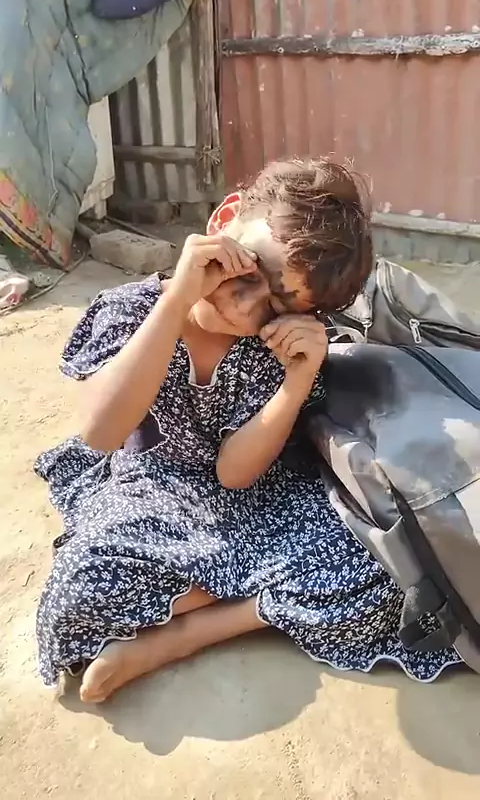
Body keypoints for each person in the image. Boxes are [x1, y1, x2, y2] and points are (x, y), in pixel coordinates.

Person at [35, 159, 460, 703]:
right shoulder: (131, 310)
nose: (245, 306)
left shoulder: (268, 348)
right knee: (81, 583)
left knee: (389, 563)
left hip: (264, 495)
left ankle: (188, 632)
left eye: (279, 305)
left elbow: (235, 474)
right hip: (155, 490)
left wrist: (296, 383)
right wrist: (176, 301)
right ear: (224, 220)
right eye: (251, 269)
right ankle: (246, 597)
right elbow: (99, 432)